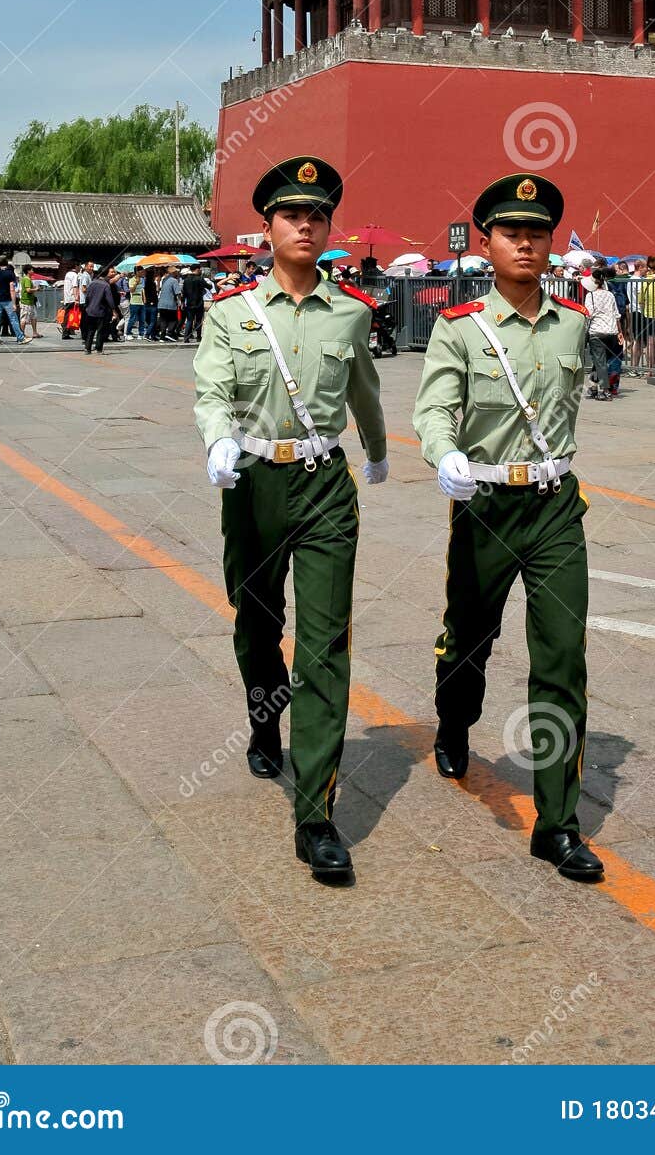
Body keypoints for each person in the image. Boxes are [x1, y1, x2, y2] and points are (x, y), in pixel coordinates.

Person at [195, 156, 388, 886]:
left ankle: (315, 818)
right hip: (250, 483)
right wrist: (216, 437)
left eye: (317, 217)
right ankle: (262, 715)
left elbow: (363, 389)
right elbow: (212, 387)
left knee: (325, 643)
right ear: (267, 228)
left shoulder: (352, 311)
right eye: (291, 216)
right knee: (255, 618)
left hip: (323, 485)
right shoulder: (230, 313)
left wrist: (373, 452)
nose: (305, 226)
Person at [412, 173, 603, 885]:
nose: (526, 242)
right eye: (511, 232)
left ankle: (557, 824)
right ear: (485, 242)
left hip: (554, 506)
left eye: (538, 232)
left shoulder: (576, 322)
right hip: (486, 506)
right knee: (468, 641)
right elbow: (434, 409)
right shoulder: (458, 326)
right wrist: (447, 453)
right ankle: (454, 720)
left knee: (561, 661)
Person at [584, 267, 624, 399]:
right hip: (611, 331)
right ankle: (593, 387)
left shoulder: (590, 296)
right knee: (600, 360)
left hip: (597, 331)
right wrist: (620, 332)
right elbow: (616, 314)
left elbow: (588, 314)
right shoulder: (610, 295)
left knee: (600, 361)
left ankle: (605, 390)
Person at [0, 255, 25, 345]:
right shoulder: (10, 273)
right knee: (13, 319)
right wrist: (14, 303)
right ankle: (20, 338)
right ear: (6, 262)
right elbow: (12, 288)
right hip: (7, 300)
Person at [81, 268, 117, 354]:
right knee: (101, 331)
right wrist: (113, 310)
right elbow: (110, 300)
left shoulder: (92, 283)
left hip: (90, 310)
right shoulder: (106, 285)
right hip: (101, 311)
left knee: (90, 330)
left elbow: (88, 296)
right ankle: (99, 349)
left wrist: (87, 306)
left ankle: (87, 348)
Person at [182, 264, 206, 343]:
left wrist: (183, 302)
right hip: (199, 303)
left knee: (189, 320)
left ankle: (186, 337)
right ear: (197, 269)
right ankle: (198, 337)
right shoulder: (200, 279)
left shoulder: (186, 280)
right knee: (198, 321)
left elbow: (184, 292)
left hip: (189, 303)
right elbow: (209, 286)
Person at [156, 266, 181, 341]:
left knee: (163, 320)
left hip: (161, 303)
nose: (178, 273)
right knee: (174, 320)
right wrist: (180, 302)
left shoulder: (164, 280)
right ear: (174, 272)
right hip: (170, 304)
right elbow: (178, 293)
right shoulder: (174, 280)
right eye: (176, 271)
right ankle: (169, 333)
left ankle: (162, 337)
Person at [18, 264, 42, 342]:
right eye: (32, 270)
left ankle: (35, 332)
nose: (33, 271)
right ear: (28, 271)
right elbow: (28, 290)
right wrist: (36, 289)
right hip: (26, 302)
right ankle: (22, 334)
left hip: (30, 301)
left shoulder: (27, 279)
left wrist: (34, 288)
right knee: (24, 318)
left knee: (33, 317)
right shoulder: (27, 279)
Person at [61, 263, 82, 341]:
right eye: (79, 266)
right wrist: (76, 298)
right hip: (72, 298)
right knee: (71, 315)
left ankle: (68, 331)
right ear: (75, 266)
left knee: (67, 315)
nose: (80, 268)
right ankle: (66, 333)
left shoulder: (67, 274)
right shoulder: (74, 275)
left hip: (67, 297)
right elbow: (75, 286)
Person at [126, 268, 148, 339]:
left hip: (141, 301)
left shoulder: (143, 279)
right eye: (141, 272)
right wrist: (136, 282)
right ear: (137, 272)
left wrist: (144, 299)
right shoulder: (131, 280)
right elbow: (131, 290)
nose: (143, 273)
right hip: (134, 301)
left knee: (142, 319)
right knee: (133, 318)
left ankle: (141, 334)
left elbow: (142, 289)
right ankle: (128, 333)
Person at [143, 266, 159, 340]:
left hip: (146, 304)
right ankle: (147, 334)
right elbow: (154, 294)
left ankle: (153, 336)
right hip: (152, 304)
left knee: (149, 321)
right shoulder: (152, 284)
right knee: (153, 321)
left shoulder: (144, 283)